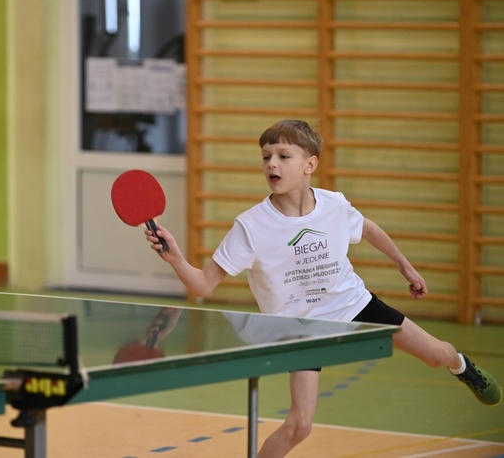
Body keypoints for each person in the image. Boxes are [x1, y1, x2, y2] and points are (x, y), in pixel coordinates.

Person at [145, 119, 502, 457]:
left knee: (437, 355)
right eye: (266, 156)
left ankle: (462, 366)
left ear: (309, 164)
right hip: (300, 329)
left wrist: (403, 264)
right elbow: (204, 284)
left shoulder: (333, 204)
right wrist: (175, 257)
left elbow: (369, 228)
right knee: (300, 426)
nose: (272, 163)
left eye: (284, 156)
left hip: (354, 305)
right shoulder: (250, 227)